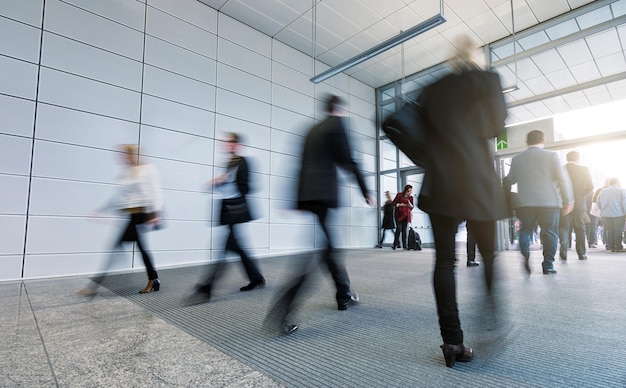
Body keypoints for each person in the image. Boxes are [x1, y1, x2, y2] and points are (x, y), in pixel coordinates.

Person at [417, 35, 509, 368]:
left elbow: (417, 132)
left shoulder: (431, 89)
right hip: (476, 180)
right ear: (476, 55)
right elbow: (497, 128)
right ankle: (491, 318)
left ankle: (452, 342)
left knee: (444, 263)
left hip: (440, 182)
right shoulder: (487, 79)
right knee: (488, 255)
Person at [266, 94, 375, 335]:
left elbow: (300, 165)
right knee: (315, 257)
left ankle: (343, 293)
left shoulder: (312, 130)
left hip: (309, 197)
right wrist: (366, 191)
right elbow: (349, 161)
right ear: (339, 110)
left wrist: (294, 201)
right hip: (324, 196)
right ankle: (282, 312)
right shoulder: (336, 125)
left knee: (329, 249)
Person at [80, 144, 164, 296]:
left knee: (116, 247)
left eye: (125, 155)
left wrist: (155, 213)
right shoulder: (126, 173)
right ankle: (154, 279)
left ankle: (94, 286)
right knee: (140, 248)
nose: (123, 158)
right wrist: (100, 210)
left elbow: (156, 191)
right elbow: (118, 196)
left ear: (133, 155)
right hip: (131, 215)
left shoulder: (148, 169)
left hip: (142, 214)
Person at [193, 133, 265, 301]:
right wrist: (217, 183)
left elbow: (247, 187)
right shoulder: (226, 163)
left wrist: (226, 182)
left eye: (232, 142)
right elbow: (226, 186)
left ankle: (207, 287)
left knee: (226, 246)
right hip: (226, 207)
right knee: (236, 246)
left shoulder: (243, 161)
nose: (229, 145)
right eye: (227, 142)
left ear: (238, 144)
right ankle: (256, 277)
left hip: (237, 207)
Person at [503, 130, 574, 275]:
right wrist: (568, 200)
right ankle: (548, 265)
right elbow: (562, 179)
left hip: (524, 203)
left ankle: (526, 255)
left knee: (525, 230)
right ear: (544, 140)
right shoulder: (552, 155)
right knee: (550, 233)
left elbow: (509, 180)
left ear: (526, 142)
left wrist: (507, 198)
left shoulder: (517, 159)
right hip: (549, 202)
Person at [558, 151, 593, 261]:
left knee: (563, 226)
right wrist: (580, 194)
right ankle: (581, 254)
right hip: (578, 202)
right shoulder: (583, 169)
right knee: (580, 228)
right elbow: (590, 186)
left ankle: (564, 243)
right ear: (578, 158)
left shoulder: (561, 169)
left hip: (564, 203)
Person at [596, 177, 626, 252]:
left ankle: (612, 247)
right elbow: (624, 203)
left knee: (609, 230)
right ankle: (618, 247)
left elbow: (598, 203)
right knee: (618, 231)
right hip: (618, 214)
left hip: (606, 215)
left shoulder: (603, 191)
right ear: (617, 182)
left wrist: (603, 210)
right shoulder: (621, 191)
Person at [392, 185, 414, 250]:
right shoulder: (400, 195)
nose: (409, 192)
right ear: (405, 190)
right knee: (398, 229)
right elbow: (393, 203)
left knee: (404, 230)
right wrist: (399, 205)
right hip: (398, 214)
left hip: (406, 215)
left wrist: (409, 203)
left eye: (410, 191)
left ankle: (404, 245)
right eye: (408, 191)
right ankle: (395, 244)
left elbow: (412, 207)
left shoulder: (411, 198)